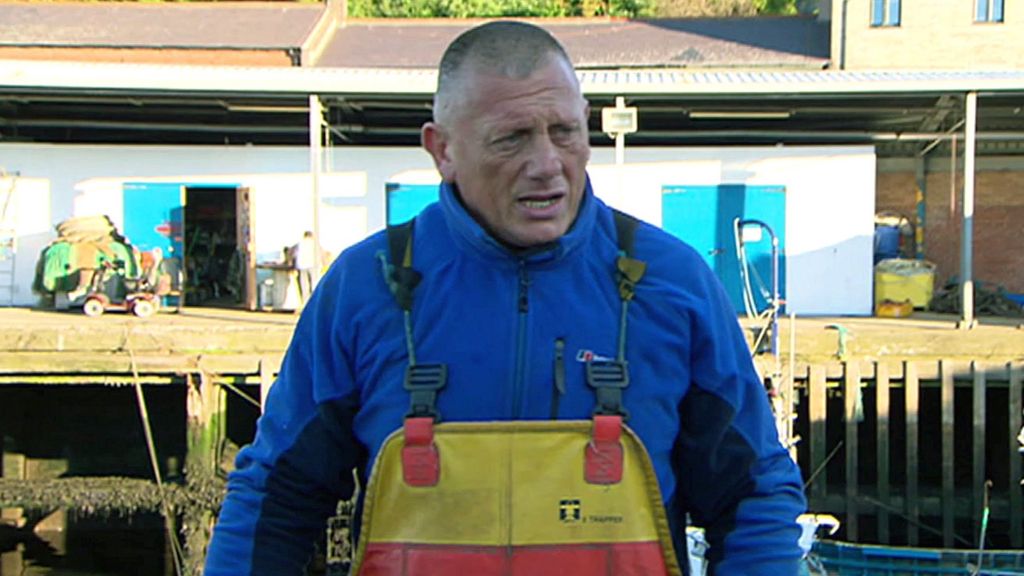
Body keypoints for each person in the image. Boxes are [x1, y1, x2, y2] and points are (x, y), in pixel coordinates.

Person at [205, 20, 806, 576]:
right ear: (442, 149)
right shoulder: (367, 287)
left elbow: (754, 495)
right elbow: (276, 496)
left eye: (564, 131)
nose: (547, 165)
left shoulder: (673, 282)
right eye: (511, 139)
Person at [290, 230, 319, 309]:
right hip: (313, 264)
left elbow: (293, 254)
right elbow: (321, 254)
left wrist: (293, 266)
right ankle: (315, 301)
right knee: (314, 282)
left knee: (304, 284)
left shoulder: (299, 244)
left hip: (301, 265)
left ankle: (305, 303)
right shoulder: (314, 244)